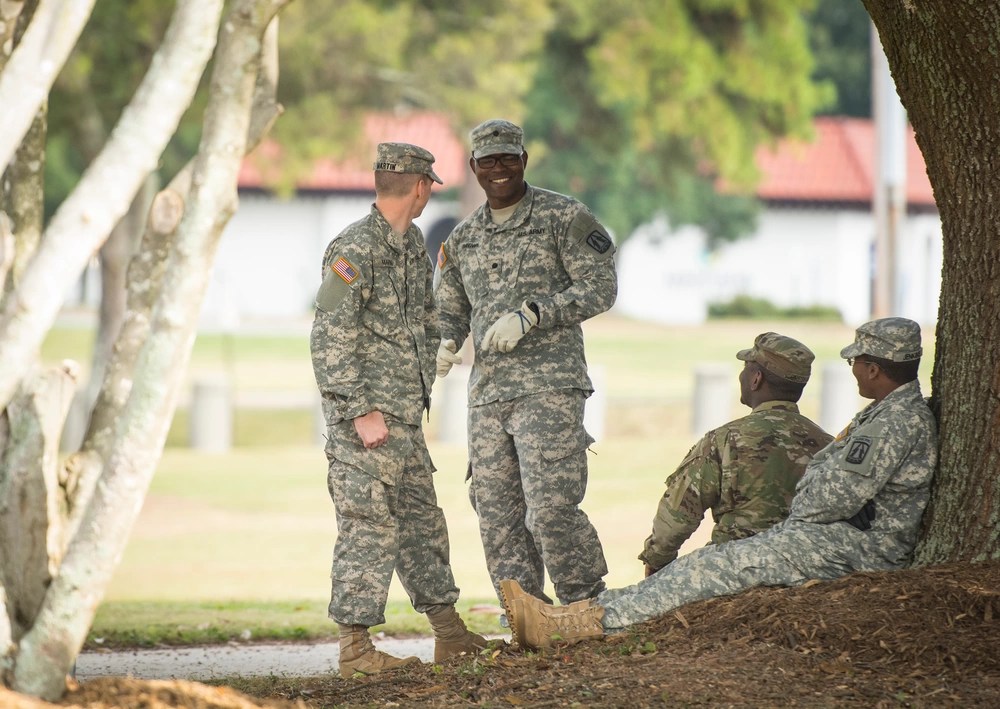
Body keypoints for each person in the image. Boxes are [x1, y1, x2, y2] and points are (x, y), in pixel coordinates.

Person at [500, 317, 937, 650]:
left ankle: (572, 627)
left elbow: (827, 501)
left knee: (705, 570)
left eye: (856, 361)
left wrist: (817, 481)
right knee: (696, 569)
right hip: (832, 539)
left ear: (875, 368)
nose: (852, 368)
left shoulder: (895, 421)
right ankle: (573, 617)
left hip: (853, 547)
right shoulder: (881, 416)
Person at [310, 142, 486, 677]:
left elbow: (423, 318)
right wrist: (359, 409)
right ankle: (355, 652)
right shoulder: (353, 249)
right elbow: (328, 334)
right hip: (367, 422)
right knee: (367, 526)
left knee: (422, 525)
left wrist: (436, 353)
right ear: (419, 186)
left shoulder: (410, 245)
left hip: (404, 420)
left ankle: (450, 636)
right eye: (430, 184)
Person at [433, 119, 617, 607]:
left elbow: (601, 287)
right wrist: (445, 342)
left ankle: (587, 605)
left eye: (508, 158)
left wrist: (536, 314)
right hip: (488, 396)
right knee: (496, 513)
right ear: (473, 168)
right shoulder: (462, 239)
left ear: (524, 160)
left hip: (549, 388)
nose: (499, 170)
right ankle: (525, 616)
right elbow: (450, 307)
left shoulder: (563, 217)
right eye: (488, 161)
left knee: (552, 508)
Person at [640, 333, 833, 577]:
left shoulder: (725, 439)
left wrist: (656, 561)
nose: (741, 375)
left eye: (745, 368)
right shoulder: (828, 443)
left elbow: (678, 514)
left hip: (735, 570)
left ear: (756, 379)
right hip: (806, 567)